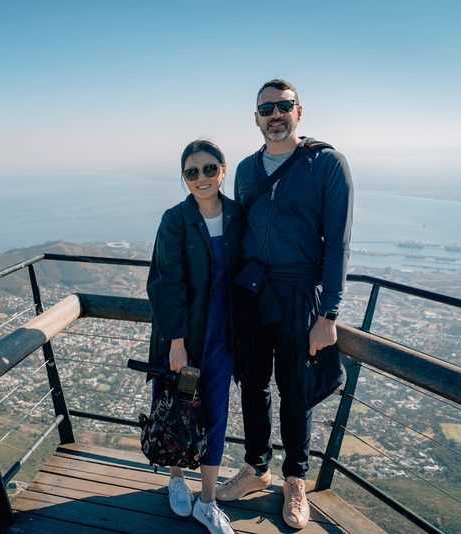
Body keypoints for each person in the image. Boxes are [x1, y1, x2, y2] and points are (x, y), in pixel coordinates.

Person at [215, 79, 353, 530]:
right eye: (266, 108)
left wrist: (328, 314)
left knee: (296, 389)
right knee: (251, 385)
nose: (275, 114)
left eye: (283, 106)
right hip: (252, 292)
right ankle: (257, 469)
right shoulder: (247, 168)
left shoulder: (327, 164)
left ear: (299, 111)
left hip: (298, 295)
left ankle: (295, 478)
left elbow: (338, 244)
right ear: (256, 118)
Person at [146, 139, 244, 534]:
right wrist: (176, 342)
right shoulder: (175, 220)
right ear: (184, 178)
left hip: (224, 339)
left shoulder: (240, 216)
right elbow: (165, 283)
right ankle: (175, 479)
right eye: (191, 172)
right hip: (184, 341)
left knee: (215, 415)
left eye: (208, 169)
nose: (200, 178)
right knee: (175, 407)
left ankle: (207, 500)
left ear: (223, 170)